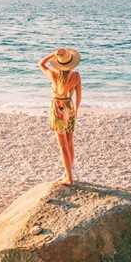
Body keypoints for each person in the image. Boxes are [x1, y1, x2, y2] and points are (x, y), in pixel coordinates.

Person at [38, 48, 82, 185]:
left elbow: (41, 63)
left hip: (57, 108)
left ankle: (69, 178)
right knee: (69, 142)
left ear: (58, 62)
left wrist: (54, 54)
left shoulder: (53, 74)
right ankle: (67, 173)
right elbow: (79, 97)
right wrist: (76, 110)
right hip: (69, 108)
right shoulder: (76, 76)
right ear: (71, 62)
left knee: (62, 145)